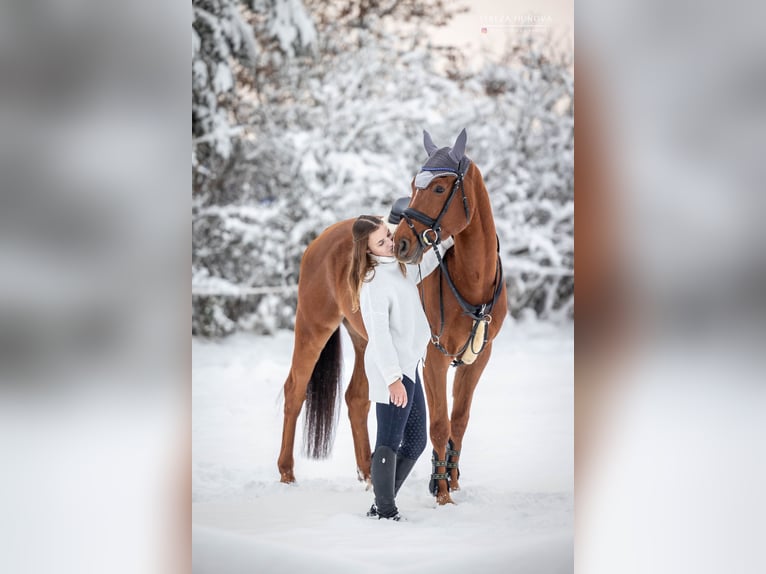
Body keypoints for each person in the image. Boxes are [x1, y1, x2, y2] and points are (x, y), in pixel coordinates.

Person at [348, 214, 453, 521]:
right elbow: (379, 336)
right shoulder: (373, 283)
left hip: (408, 366)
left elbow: (426, 265)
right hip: (390, 370)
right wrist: (393, 379)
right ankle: (385, 512)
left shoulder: (401, 266)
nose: (390, 244)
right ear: (367, 251)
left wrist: (449, 240)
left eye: (389, 236)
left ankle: (381, 504)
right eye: (381, 243)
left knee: (418, 439)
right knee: (389, 441)